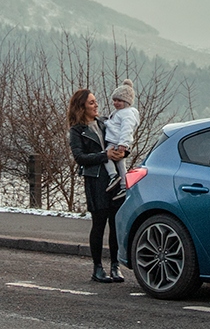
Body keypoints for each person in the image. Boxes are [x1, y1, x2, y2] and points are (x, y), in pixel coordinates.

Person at [68, 88, 127, 283]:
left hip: (115, 179)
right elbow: (80, 157)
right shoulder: (77, 130)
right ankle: (98, 268)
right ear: (82, 106)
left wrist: (122, 153)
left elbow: (118, 141)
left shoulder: (104, 123)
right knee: (99, 224)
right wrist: (105, 156)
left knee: (116, 224)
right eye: (92, 103)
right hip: (96, 181)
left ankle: (115, 266)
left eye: (95, 102)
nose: (96, 105)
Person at [103, 79, 140, 199]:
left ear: (127, 102)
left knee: (105, 156)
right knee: (121, 164)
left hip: (116, 142)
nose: (116, 103)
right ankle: (124, 186)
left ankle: (113, 175)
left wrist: (123, 143)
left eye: (119, 100)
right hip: (117, 142)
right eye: (114, 100)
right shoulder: (119, 112)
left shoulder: (127, 114)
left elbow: (126, 129)